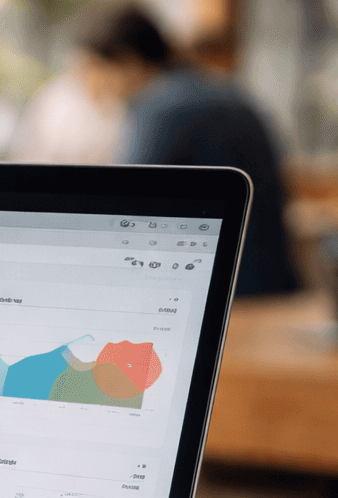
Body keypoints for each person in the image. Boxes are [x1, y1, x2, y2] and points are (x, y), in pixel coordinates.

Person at [81, 5, 300, 296]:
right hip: (274, 283)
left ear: (128, 61)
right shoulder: (225, 91)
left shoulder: (161, 107)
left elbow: (120, 205)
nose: (89, 87)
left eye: (92, 71)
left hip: (227, 294)